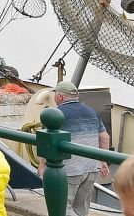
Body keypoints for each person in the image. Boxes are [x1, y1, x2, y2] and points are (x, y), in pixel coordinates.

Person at [39, 81, 111, 216]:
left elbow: (47, 142)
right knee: (81, 208)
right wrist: (103, 161)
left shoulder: (55, 114)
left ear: (60, 96)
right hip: (92, 168)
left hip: (69, 170)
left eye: (55, 94)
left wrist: (42, 166)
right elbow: (105, 138)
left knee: (63, 208)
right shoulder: (92, 111)